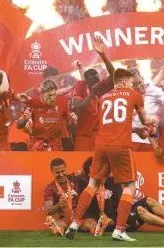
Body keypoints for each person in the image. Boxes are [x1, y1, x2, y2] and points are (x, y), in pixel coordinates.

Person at [65, 69, 156, 242]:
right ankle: (120, 230)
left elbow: (113, 123)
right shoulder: (134, 94)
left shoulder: (105, 97)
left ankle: (74, 223)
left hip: (101, 145)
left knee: (92, 184)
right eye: (131, 82)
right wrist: (152, 125)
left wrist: (136, 129)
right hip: (120, 146)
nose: (132, 84)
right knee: (129, 187)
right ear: (124, 81)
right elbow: (146, 122)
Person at [77, 157, 164, 235]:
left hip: (121, 216)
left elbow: (121, 201)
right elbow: (90, 212)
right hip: (110, 222)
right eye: (99, 170)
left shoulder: (112, 181)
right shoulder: (87, 188)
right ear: (89, 174)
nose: (102, 172)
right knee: (140, 209)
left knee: (149, 201)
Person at [71, 36, 116, 151]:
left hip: (99, 136)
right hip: (83, 137)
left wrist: (103, 55)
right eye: (91, 83)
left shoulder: (101, 85)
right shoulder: (80, 86)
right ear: (86, 82)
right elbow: (76, 108)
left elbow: (114, 75)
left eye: (97, 81)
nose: (95, 84)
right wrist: (92, 94)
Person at [18, 80, 77, 151]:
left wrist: (74, 119)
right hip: (37, 146)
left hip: (56, 145)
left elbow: (72, 123)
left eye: (54, 94)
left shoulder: (62, 102)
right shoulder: (34, 103)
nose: (52, 98)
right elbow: (19, 125)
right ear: (42, 93)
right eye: (49, 95)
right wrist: (25, 119)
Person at [0, 69, 27, 151]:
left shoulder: (8, 93)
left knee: (8, 162)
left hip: (3, 139)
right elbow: (4, 90)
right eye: (6, 83)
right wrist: (4, 73)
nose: (8, 87)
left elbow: (22, 98)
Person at [129, 67, 164, 152]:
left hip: (150, 141)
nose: (138, 86)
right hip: (133, 141)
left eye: (139, 82)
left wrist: (157, 120)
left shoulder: (154, 90)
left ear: (142, 78)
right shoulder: (129, 95)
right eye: (135, 84)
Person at [44, 158, 83, 236]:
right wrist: (59, 205)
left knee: (91, 222)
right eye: (57, 172)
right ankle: (58, 231)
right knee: (59, 224)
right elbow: (48, 210)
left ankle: (97, 230)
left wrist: (82, 174)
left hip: (79, 218)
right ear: (52, 172)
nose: (61, 174)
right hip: (65, 219)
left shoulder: (75, 178)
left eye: (63, 171)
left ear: (66, 169)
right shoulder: (50, 188)